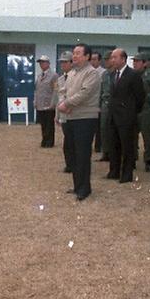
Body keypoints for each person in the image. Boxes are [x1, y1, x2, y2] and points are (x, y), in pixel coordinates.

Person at [57, 44, 101, 201]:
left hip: (85, 118)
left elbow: (85, 93)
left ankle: (85, 188)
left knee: (83, 154)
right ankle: (77, 186)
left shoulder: (92, 73)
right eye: (74, 53)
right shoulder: (73, 73)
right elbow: (63, 91)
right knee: (74, 154)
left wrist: (67, 104)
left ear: (87, 56)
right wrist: (63, 103)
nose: (74, 56)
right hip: (71, 118)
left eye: (78, 53)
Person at [106, 49, 146, 183]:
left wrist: (131, 112)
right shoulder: (112, 74)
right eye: (111, 58)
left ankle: (127, 174)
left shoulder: (133, 75)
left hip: (127, 117)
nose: (112, 60)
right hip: (113, 116)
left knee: (127, 147)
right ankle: (114, 171)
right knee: (113, 145)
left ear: (123, 59)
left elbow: (140, 97)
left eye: (115, 57)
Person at [134, 52, 150, 172]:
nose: (135, 64)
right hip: (133, 110)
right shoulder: (131, 75)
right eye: (134, 61)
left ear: (144, 63)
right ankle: (132, 158)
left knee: (147, 136)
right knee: (132, 136)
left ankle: (149, 160)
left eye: (138, 61)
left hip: (145, 109)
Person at [34, 55, 58, 147]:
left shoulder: (54, 75)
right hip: (40, 104)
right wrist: (35, 101)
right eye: (40, 62)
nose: (41, 64)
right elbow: (37, 90)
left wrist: (53, 103)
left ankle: (50, 142)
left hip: (49, 104)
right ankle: (44, 140)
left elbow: (56, 90)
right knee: (43, 124)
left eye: (43, 62)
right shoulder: (39, 76)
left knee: (49, 124)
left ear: (48, 63)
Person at [57, 51, 74, 173]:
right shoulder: (61, 79)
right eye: (61, 62)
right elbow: (59, 98)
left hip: (74, 114)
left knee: (73, 142)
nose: (62, 64)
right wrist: (56, 115)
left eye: (65, 62)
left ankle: (75, 165)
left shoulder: (77, 77)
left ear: (72, 63)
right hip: (64, 115)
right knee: (67, 141)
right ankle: (69, 164)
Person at [97, 54, 114, 162]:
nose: (106, 62)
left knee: (113, 130)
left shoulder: (117, 74)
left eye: (108, 60)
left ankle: (113, 152)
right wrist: (98, 105)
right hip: (105, 103)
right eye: (105, 60)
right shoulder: (104, 74)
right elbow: (101, 90)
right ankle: (105, 152)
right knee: (103, 129)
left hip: (114, 104)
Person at [90, 52, 107, 154]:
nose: (93, 61)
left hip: (99, 103)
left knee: (100, 127)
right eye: (91, 59)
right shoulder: (87, 72)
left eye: (95, 59)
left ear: (99, 61)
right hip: (89, 104)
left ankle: (99, 146)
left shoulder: (103, 73)